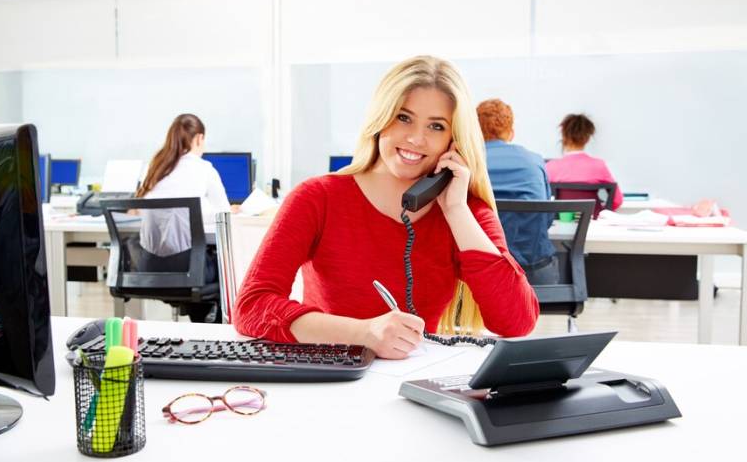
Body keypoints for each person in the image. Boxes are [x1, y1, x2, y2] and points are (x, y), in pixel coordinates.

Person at [234, 56, 538, 359]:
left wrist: (456, 210)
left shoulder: (464, 210)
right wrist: (364, 333)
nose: (416, 138)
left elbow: (517, 322)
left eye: (436, 126)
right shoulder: (317, 197)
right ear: (381, 119)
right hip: (329, 377)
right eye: (403, 117)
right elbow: (251, 307)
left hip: (416, 386)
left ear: (453, 141)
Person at [134, 113, 231, 322]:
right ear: (199, 139)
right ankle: (215, 332)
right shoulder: (204, 169)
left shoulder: (155, 169)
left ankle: (199, 322)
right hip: (190, 271)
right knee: (228, 267)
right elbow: (225, 215)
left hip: (150, 269)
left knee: (197, 257)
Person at [477, 99, 557, 285]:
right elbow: (546, 219)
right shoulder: (535, 161)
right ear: (511, 133)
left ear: (475, 131)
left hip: (483, 275)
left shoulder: (467, 163)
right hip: (534, 274)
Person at [545, 114, 624, 211]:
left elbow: (542, 199)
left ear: (564, 136)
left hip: (561, 221)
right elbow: (617, 200)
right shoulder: (599, 166)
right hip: (593, 222)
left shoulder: (551, 167)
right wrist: (600, 213)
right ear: (587, 138)